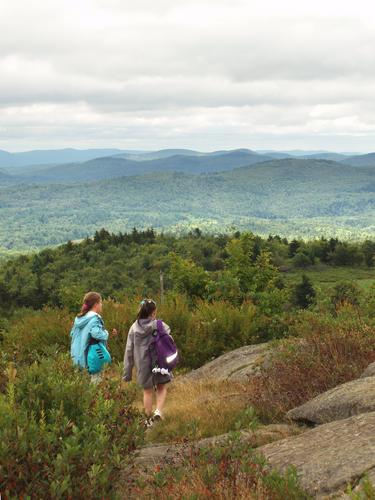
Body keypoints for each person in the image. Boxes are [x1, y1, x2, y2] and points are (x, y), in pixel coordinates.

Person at [123, 299, 171, 427]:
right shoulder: (160, 325)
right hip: (159, 361)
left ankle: (148, 420)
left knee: (147, 391)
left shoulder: (133, 328)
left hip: (142, 364)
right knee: (161, 386)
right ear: (153, 312)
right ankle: (159, 412)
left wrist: (127, 373)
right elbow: (169, 339)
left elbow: (129, 351)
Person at [70, 291, 116, 382]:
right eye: (101, 302)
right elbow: (96, 334)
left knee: (81, 387)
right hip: (91, 357)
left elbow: (72, 334)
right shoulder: (95, 318)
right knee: (95, 386)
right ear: (96, 304)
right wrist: (106, 333)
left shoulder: (79, 318)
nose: (102, 305)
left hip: (77, 358)